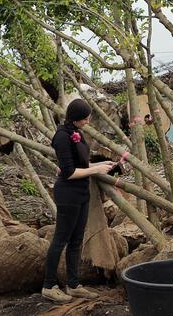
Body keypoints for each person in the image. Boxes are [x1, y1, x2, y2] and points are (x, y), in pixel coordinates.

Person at [41, 99, 116, 303]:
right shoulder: (62, 137)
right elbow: (68, 172)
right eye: (86, 117)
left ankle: (73, 285)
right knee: (60, 240)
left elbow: (81, 162)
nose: (88, 120)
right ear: (77, 117)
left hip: (82, 194)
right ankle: (48, 286)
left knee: (76, 240)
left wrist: (102, 163)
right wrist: (95, 170)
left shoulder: (77, 133)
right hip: (68, 194)